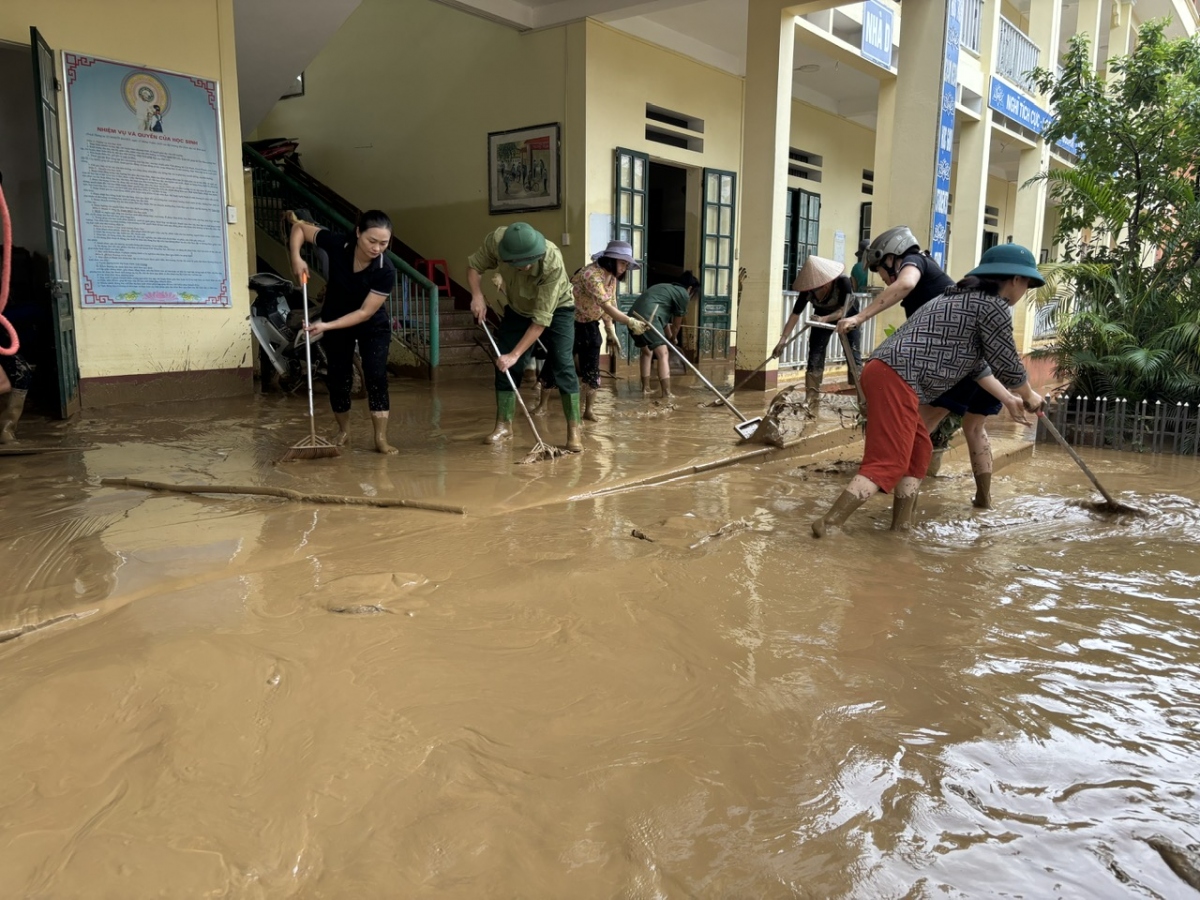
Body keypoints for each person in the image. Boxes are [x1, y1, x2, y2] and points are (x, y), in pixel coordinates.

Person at [811, 243, 1046, 538]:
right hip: (896, 377)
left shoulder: (962, 297)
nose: (1024, 290)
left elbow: (977, 368)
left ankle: (901, 528)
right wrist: (1030, 395)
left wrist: (1009, 398)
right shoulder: (992, 305)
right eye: (1026, 283)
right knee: (889, 460)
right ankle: (829, 524)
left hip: (888, 373)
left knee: (919, 449)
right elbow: (1007, 362)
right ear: (1015, 279)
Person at [840, 225, 998, 492]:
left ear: (892, 256)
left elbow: (905, 283)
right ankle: (983, 501)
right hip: (981, 359)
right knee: (974, 428)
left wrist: (859, 316)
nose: (881, 278)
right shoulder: (933, 274)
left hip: (960, 364)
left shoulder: (916, 262)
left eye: (879, 268)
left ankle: (887, 485)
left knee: (916, 428)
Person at [288, 209, 399, 454]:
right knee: (338, 377)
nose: (376, 248)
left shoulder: (385, 269)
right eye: (372, 241)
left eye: (383, 243)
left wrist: (326, 326)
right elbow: (300, 229)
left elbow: (364, 313)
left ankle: (380, 438)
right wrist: (296, 257)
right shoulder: (339, 243)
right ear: (358, 232)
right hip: (336, 314)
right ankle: (344, 430)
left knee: (376, 376)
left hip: (371, 324)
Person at [467, 222, 584, 452]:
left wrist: (515, 354)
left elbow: (540, 321)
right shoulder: (496, 242)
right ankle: (503, 425)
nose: (527, 266)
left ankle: (574, 431)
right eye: (520, 265)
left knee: (562, 363)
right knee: (505, 365)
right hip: (518, 308)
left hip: (557, 308)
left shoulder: (552, 261)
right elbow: (474, 266)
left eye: (530, 262)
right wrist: (477, 295)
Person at [531, 240, 648, 422]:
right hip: (567, 321)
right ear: (611, 260)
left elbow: (611, 304)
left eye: (626, 264)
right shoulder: (590, 274)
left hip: (590, 324)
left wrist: (610, 331)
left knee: (592, 368)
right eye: (623, 263)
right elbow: (605, 305)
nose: (625, 268)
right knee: (556, 361)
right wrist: (630, 321)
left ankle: (588, 410)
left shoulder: (612, 279)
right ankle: (542, 405)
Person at [775, 255, 862, 409]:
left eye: (817, 289)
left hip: (848, 316)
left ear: (826, 285)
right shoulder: (808, 290)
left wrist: (825, 319)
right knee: (815, 354)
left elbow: (843, 310)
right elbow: (795, 315)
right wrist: (783, 340)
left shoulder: (843, 282)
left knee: (853, 358)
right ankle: (811, 397)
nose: (813, 293)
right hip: (821, 317)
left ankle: (863, 398)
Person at [628, 272, 700, 398]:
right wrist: (673, 338)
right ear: (690, 289)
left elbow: (664, 322)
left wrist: (670, 336)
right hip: (648, 318)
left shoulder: (664, 289)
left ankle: (646, 388)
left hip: (632, 318)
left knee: (647, 352)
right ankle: (667, 393)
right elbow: (677, 324)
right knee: (663, 353)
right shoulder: (683, 294)